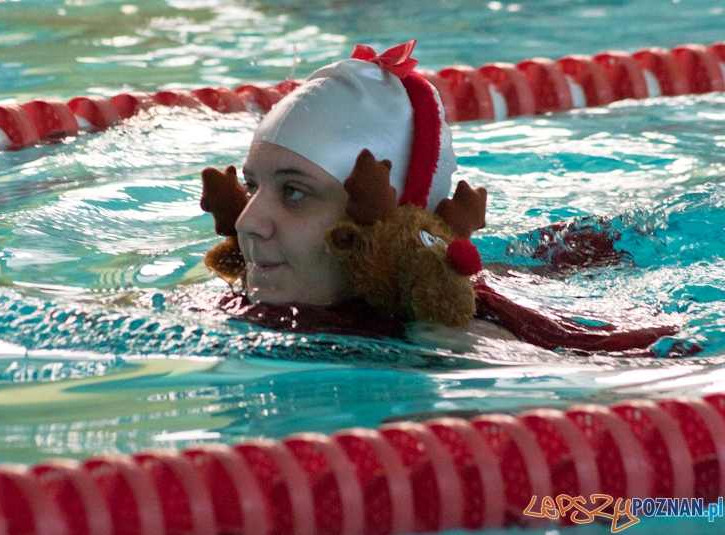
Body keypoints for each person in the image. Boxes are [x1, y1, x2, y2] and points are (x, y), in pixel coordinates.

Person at [201, 41, 684, 355]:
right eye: (252, 185)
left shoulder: (465, 348)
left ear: (390, 225)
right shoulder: (232, 305)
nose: (248, 221)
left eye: (294, 192)